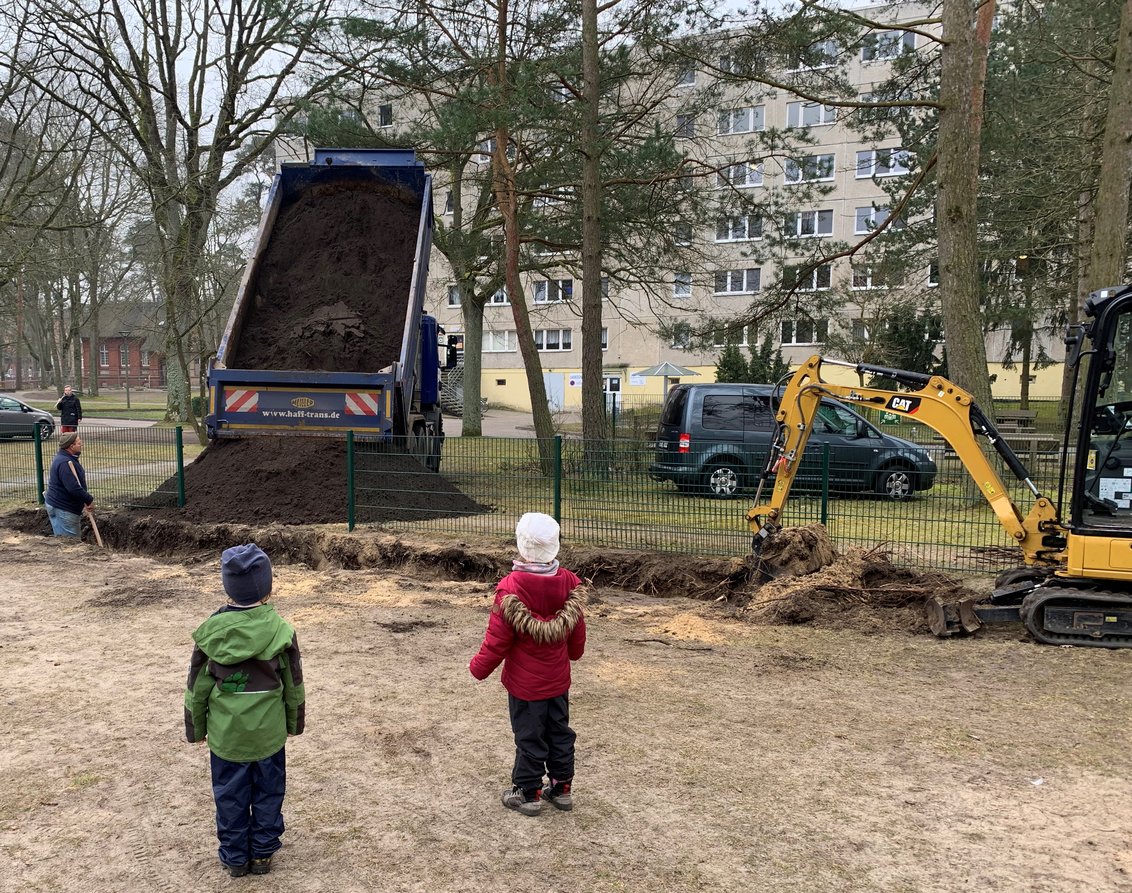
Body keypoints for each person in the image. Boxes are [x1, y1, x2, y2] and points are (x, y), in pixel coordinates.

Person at [184, 543, 306, 878]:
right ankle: (262, 855)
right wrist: (295, 724)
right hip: (268, 736)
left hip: (227, 739)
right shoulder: (282, 631)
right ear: (268, 586)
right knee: (268, 794)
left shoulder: (210, 635)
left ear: (228, 587)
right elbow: (294, 684)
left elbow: (197, 688)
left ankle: (236, 858)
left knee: (230, 797)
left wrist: (195, 728)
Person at [469, 512, 587, 816]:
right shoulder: (569, 584)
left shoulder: (510, 589)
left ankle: (528, 791)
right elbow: (577, 630)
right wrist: (573, 653)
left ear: (522, 545)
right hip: (558, 680)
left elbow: (497, 639)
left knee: (529, 734)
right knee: (559, 730)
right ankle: (562, 788)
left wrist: (479, 667)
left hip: (524, 685)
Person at [43, 432, 93, 538]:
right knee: (71, 544)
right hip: (64, 509)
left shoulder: (63, 458)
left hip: (57, 504)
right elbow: (73, 488)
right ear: (71, 446)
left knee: (62, 541)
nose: (81, 444)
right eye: (79, 443)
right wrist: (88, 499)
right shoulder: (64, 463)